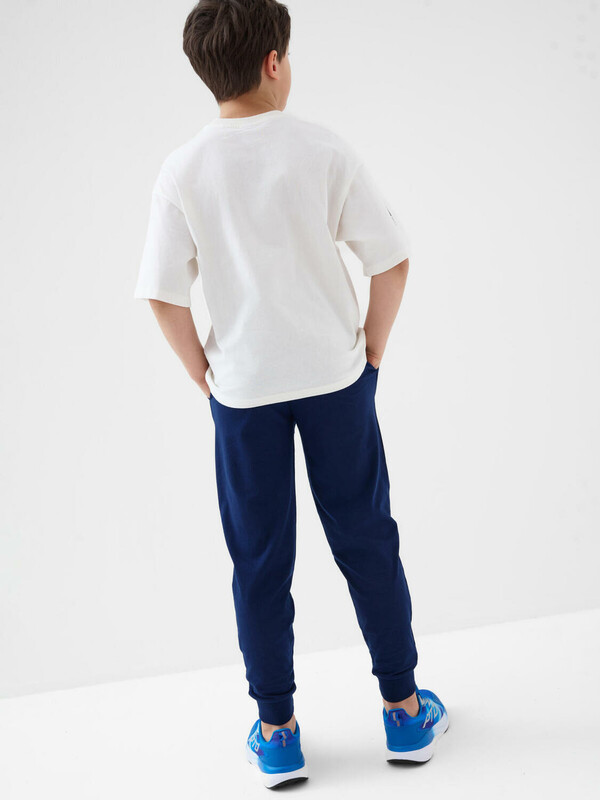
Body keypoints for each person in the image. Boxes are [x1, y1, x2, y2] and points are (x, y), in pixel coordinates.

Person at [134, 0, 448, 788]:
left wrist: (203, 373)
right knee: (366, 537)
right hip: (336, 380)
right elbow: (391, 260)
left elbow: (163, 296)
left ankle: (277, 732)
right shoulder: (320, 147)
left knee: (259, 558)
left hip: (243, 393)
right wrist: (372, 351)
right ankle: (405, 711)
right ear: (273, 62)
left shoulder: (183, 169)